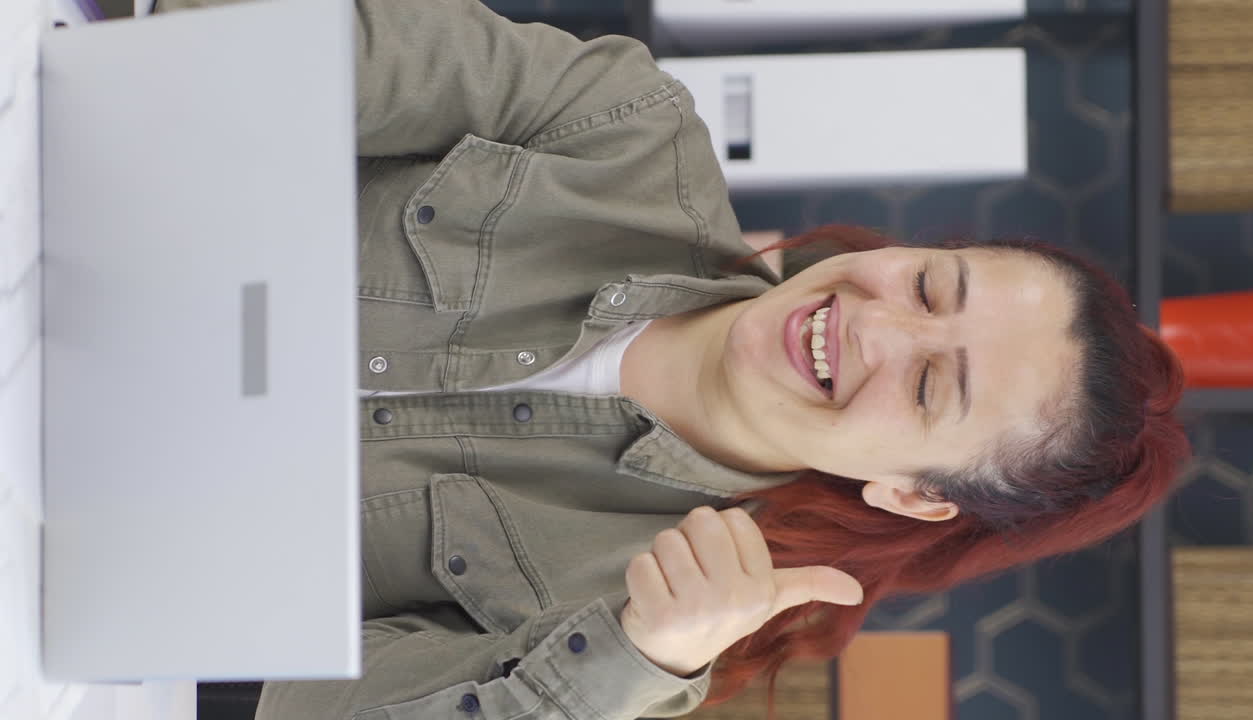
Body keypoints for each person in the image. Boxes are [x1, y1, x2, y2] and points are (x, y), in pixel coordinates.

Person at [155, 1, 1192, 719]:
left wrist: (630, 661)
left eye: (930, 387)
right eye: (930, 286)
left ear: (915, 496)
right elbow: (278, 55)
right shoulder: (622, 126)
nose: (873, 327)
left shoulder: (637, 619)